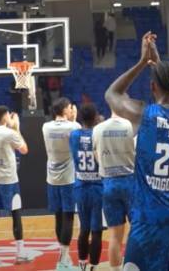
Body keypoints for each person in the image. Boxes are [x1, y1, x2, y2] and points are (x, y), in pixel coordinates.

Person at [105, 32, 169, 271]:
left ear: (152, 87)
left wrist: (143, 62)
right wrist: (161, 65)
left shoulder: (144, 114)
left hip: (149, 219)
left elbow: (112, 94)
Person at [0, 106, 30, 266]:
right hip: (9, 181)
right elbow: (24, 150)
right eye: (8, 115)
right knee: (16, 215)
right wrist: (16, 128)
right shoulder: (10, 133)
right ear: (4, 117)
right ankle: (20, 254)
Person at [92, 111, 135, 271]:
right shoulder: (131, 126)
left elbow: (96, 156)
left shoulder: (98, 128)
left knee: (115, 237)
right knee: (136, 232)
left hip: (109, 183)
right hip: (130, 182)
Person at [42, 97, 81, 270]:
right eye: (70, 107)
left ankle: (63, 254)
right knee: (68, 217)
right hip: (68, 179)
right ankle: (64, 257)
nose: (72, 110)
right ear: (65, 110)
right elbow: (77, 135)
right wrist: (74, 118)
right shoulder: (74, 126)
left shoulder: (45, 126)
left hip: (52, 178)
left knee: (58, 217)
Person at [69, 103, 103, 271]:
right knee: (96, 230)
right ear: (95, 117)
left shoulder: (74, 135)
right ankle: (94, 267)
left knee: (84, 229)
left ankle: (82, 265)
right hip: (98, 187)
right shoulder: (99, 134)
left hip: (81, 187)